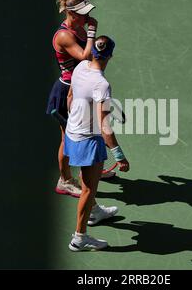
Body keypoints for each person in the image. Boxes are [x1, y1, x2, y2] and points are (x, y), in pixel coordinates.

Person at [64, 36, 130, 251]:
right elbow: (105, 127)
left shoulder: (81, 66)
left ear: (93, 52)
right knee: (88, 190)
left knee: (86, 181)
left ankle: (95, 212)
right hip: (88, 141)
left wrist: (79, 118)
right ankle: (79, 238)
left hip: (72, 133)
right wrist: (119, 156)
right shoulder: (102, 85)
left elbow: (71, 97)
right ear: (110, 55)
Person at [47, 0, 99, 198]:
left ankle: (93, 168)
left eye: (87, 13)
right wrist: (93, 30)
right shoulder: (64, 35)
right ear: (71, 13)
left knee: (92, 129)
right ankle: (65, 180)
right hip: (67, 92)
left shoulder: (78, 27)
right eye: (83, 13)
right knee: (67, 139)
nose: (87, 17)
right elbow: (86, 56)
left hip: (81, 89)